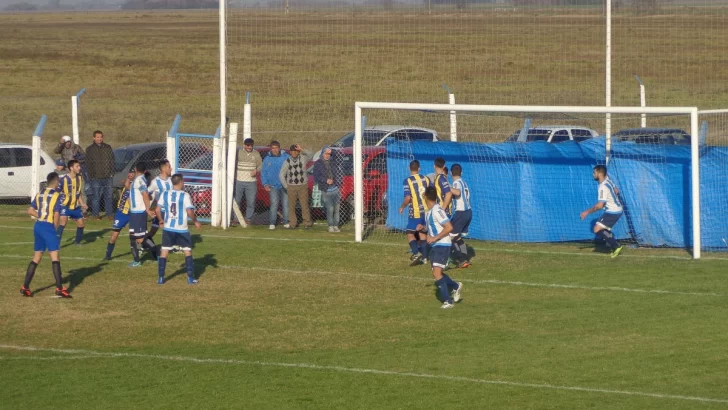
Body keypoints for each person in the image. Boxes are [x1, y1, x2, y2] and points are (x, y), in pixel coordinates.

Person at [20, 172, 71, 298]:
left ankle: (25, 287)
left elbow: (30, 210)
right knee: (55, 256)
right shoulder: (57, 196)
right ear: (56, 182)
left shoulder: (40, 194)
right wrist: (54, 227)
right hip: (48, 227)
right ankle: (59, 288)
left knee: (37, 257)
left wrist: (41, 216)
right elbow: (57, 214)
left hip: (38, 226)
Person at [417, 186, 462, 309]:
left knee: (437, 274)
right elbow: (434, 228)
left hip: (442, 244)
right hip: (436, 245)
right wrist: (424, 229)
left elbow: (449, 227)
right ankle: (455, 286)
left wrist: (435, 238)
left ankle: (448, 301)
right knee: (437, 273)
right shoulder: (429, 213)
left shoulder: (437, 210)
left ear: (425, 196)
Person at [155, 174, 202, 285]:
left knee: (164, 251)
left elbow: (157, 209)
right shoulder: (185, 195)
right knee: (187, 251)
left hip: (168, 228)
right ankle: (190, 278)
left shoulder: (165, 194)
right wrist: (195, 221)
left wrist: (161, 220)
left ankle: (161, 278)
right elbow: (190, 211)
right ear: (180, 182)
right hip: (181, 229)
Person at [580, 164, 624, 258]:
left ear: (600, 174)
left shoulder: (602, 187)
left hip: (613, 211)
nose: (593, 174)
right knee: (603, 229)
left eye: (594, 172)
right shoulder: (607, 179)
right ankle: (610, 242)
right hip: (616, 209)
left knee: (596, 229)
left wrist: (586, 212)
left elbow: (600, 206)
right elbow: (616, 190)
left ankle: (616, 246)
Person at [398, 160, 431, 266]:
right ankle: (425, 258)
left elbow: (408, 197)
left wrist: (402, 206)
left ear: (409, 168)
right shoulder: (426, 179)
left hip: (415, 212)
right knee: (422, 234)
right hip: (426, 211)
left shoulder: (407, 181)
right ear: (419, 168)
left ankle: (417, 254)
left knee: (409, 233)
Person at [128, 163, 156, 267]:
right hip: (134, 213)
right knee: (132, 236)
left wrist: (148, 209)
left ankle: (158, 254)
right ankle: (136, 261)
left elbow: (145, 194)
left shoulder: (140, 180)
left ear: (135, 169)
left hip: (139, 213)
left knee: (140, 238)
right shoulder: (137, 180)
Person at [280, 144, 312, 229]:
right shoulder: (287, 161)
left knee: (304, 205)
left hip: (302, 186)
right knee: (292, 206)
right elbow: (281, 175)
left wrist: (302, 149)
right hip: (291, 187)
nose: (294, 153)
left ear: (298, 152)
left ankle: (307, 223)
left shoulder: (303, 158)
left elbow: (311, 155)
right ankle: (293, 223)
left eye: (296, 151)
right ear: (290, 152)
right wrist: (286, 186)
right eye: (292, 151)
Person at [56, 160, 87, 246]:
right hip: (65, 206)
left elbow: (78, 192)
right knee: (63, 223)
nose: (79, 168)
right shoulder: (63, 180)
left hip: (75, 206)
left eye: (79, 166)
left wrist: (82, 203)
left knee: (81, 224)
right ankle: (55, 244)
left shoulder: (79, 178)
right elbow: (56, 193)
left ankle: (77, 242)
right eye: (77, 166)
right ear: (71, 168)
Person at [85, 130, 115, 220]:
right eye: (97, 137)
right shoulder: (90, 149)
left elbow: (112, 160)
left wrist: (112, 173)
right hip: (96, 177)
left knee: (109, 196)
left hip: (108, 176)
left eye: (101, 137)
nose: (99, 139)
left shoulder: (108, 147)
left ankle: (110, 214)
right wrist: (91, 176)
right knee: (96, 197)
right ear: (94, 138)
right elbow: (88, 164)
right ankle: (96, 215)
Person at [313, 146, 343, 233]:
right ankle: (330, 225)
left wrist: (332, 151)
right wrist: (325, 180)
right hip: (326, 190)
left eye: (329, 154)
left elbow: (340, 154)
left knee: (337, 209)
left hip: (335, 188)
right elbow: (316, 177)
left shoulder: (333, 161)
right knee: (330, 209)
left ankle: (336, 225)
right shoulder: (318, 163)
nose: (327, 155)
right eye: (326, 153)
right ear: (322, 154)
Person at [105, 171, 133, 260]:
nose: (131, 175)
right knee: (114, 236)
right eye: (130, 174)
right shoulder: (127, 186)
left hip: (132, 214)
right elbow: (126, 184)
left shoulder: (138, 186)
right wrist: (128, 179)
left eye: (132, 174)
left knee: (135, 236)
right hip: (121, 214)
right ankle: (108, 255)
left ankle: (138, 254)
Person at [261, 141, 290, 230]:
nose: (275, 150)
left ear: (279, 148)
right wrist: (265, 183)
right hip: (273, 186)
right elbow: (263, 172)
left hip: (285, 185)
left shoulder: (286, 157)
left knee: (285, 204)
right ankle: (272, 223)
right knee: (274, 204)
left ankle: (286, 222)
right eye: (273, 148)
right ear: (271, 149)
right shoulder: (267, 159)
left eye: (276, 148)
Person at [448, 164, 472, 269]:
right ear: (461, 173)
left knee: (449, 237)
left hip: (461, 213)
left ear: (450, 173)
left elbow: (457, 192)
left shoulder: (456, 183)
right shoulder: (464, 182)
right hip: (468, 212)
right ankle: (465, 258)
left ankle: (461, 260)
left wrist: (446, 186)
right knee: (457, 237)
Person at [235, 138, 262, 226]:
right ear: (244, 145)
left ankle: (248, 219)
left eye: (251, 145)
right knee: (237, 201)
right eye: (248, 145)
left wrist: (256, 170)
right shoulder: (238, 152)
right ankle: (236, 218)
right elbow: (233, 163)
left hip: (251, 182)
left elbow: (261, 165)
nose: (249, 147)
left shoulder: (256, 153)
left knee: (251, 202)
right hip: (239, 181)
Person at [146, 160, 173, 245]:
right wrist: (149, 206)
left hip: (171, 211)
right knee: (153, 231)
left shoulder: (171, 180)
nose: (171, 168)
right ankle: (141, 244)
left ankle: (173, 246)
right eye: (169, 167)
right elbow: (146, 194)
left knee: (172, 229)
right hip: (160, 211)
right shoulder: (155, 182)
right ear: (164, 168)